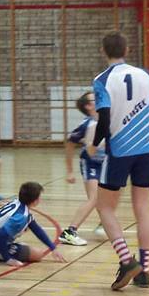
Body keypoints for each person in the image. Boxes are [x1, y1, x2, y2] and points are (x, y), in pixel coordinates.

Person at [89, 31, 149, 290]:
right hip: (146, 150)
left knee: (104, 207)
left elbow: (104, 119)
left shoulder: (102, 80)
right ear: (127, 49)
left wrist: (93, 145)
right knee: (142, 207)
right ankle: (145, 270)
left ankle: (126, 260)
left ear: (103, 51)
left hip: (119, 151)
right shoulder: (146, 75)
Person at [0, 182, 66, 265]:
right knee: (38, 255)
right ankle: (2, 252)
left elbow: (36, 228)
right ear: (35, 201)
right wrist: (8, 259)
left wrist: (53, 248)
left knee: (26, 238)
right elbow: (2, 235)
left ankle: (14, 248)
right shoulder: (21, 217)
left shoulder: (17, 202)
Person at [59, 93, 105, 246]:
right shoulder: (87, 124)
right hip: (90, 163)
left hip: (106, 163)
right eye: (95, 98)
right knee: (94, 198)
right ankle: (69, 232)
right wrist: (69, 171)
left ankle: (104, 224)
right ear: (88, 106)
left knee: (107, 198)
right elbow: (70, 144)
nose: (100, 99)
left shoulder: (107, 118)